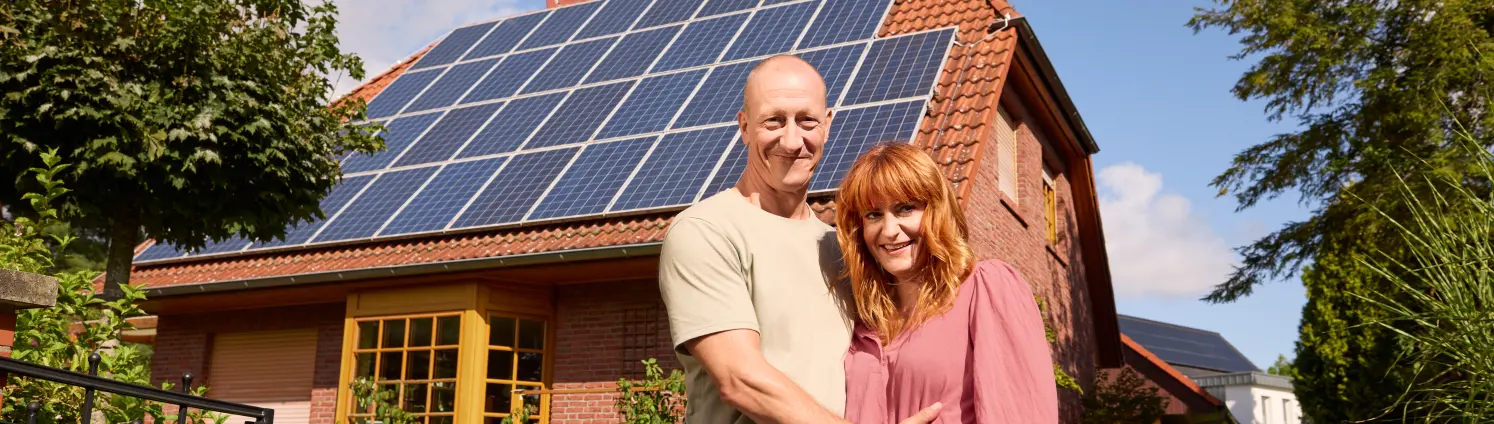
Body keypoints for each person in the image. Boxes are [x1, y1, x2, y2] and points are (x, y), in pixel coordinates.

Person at [657, 55, 942, 424]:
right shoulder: (706, 231)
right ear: (744, 127)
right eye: (773, 120)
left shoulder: (843, 246)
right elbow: (740, 380)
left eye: (806, 120)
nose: (792, 141)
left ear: (826, 126)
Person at [834, 143, 1060, 423]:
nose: (889, 231)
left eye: (906, 209)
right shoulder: (861, 325)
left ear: (937, 212)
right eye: (873, 215)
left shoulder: (985, 289)